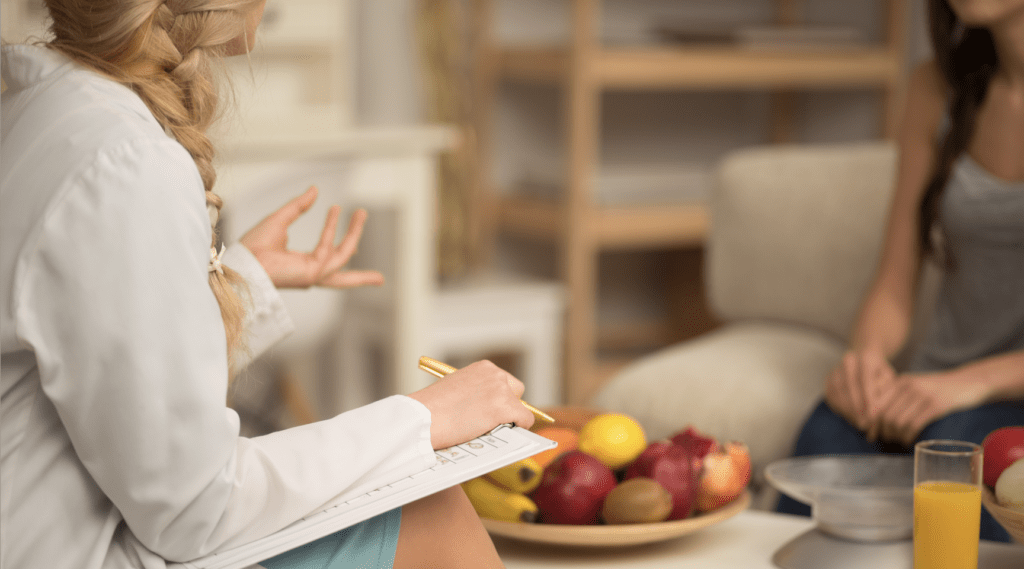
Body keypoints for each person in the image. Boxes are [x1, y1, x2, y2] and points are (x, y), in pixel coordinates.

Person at [0, 1, 534, 568]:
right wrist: (422, 420)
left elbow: (107, 370)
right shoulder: (126, 162)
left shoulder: (43, 110)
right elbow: (195, 509)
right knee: (435, 516)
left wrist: (240, 286)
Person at [776, 0, 1024, 542]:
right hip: (934, 387)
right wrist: (865, 362)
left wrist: (971, 384)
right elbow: (893, 283)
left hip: (987, 398)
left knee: (962, 457)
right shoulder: (936, 86)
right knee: (826, 434)